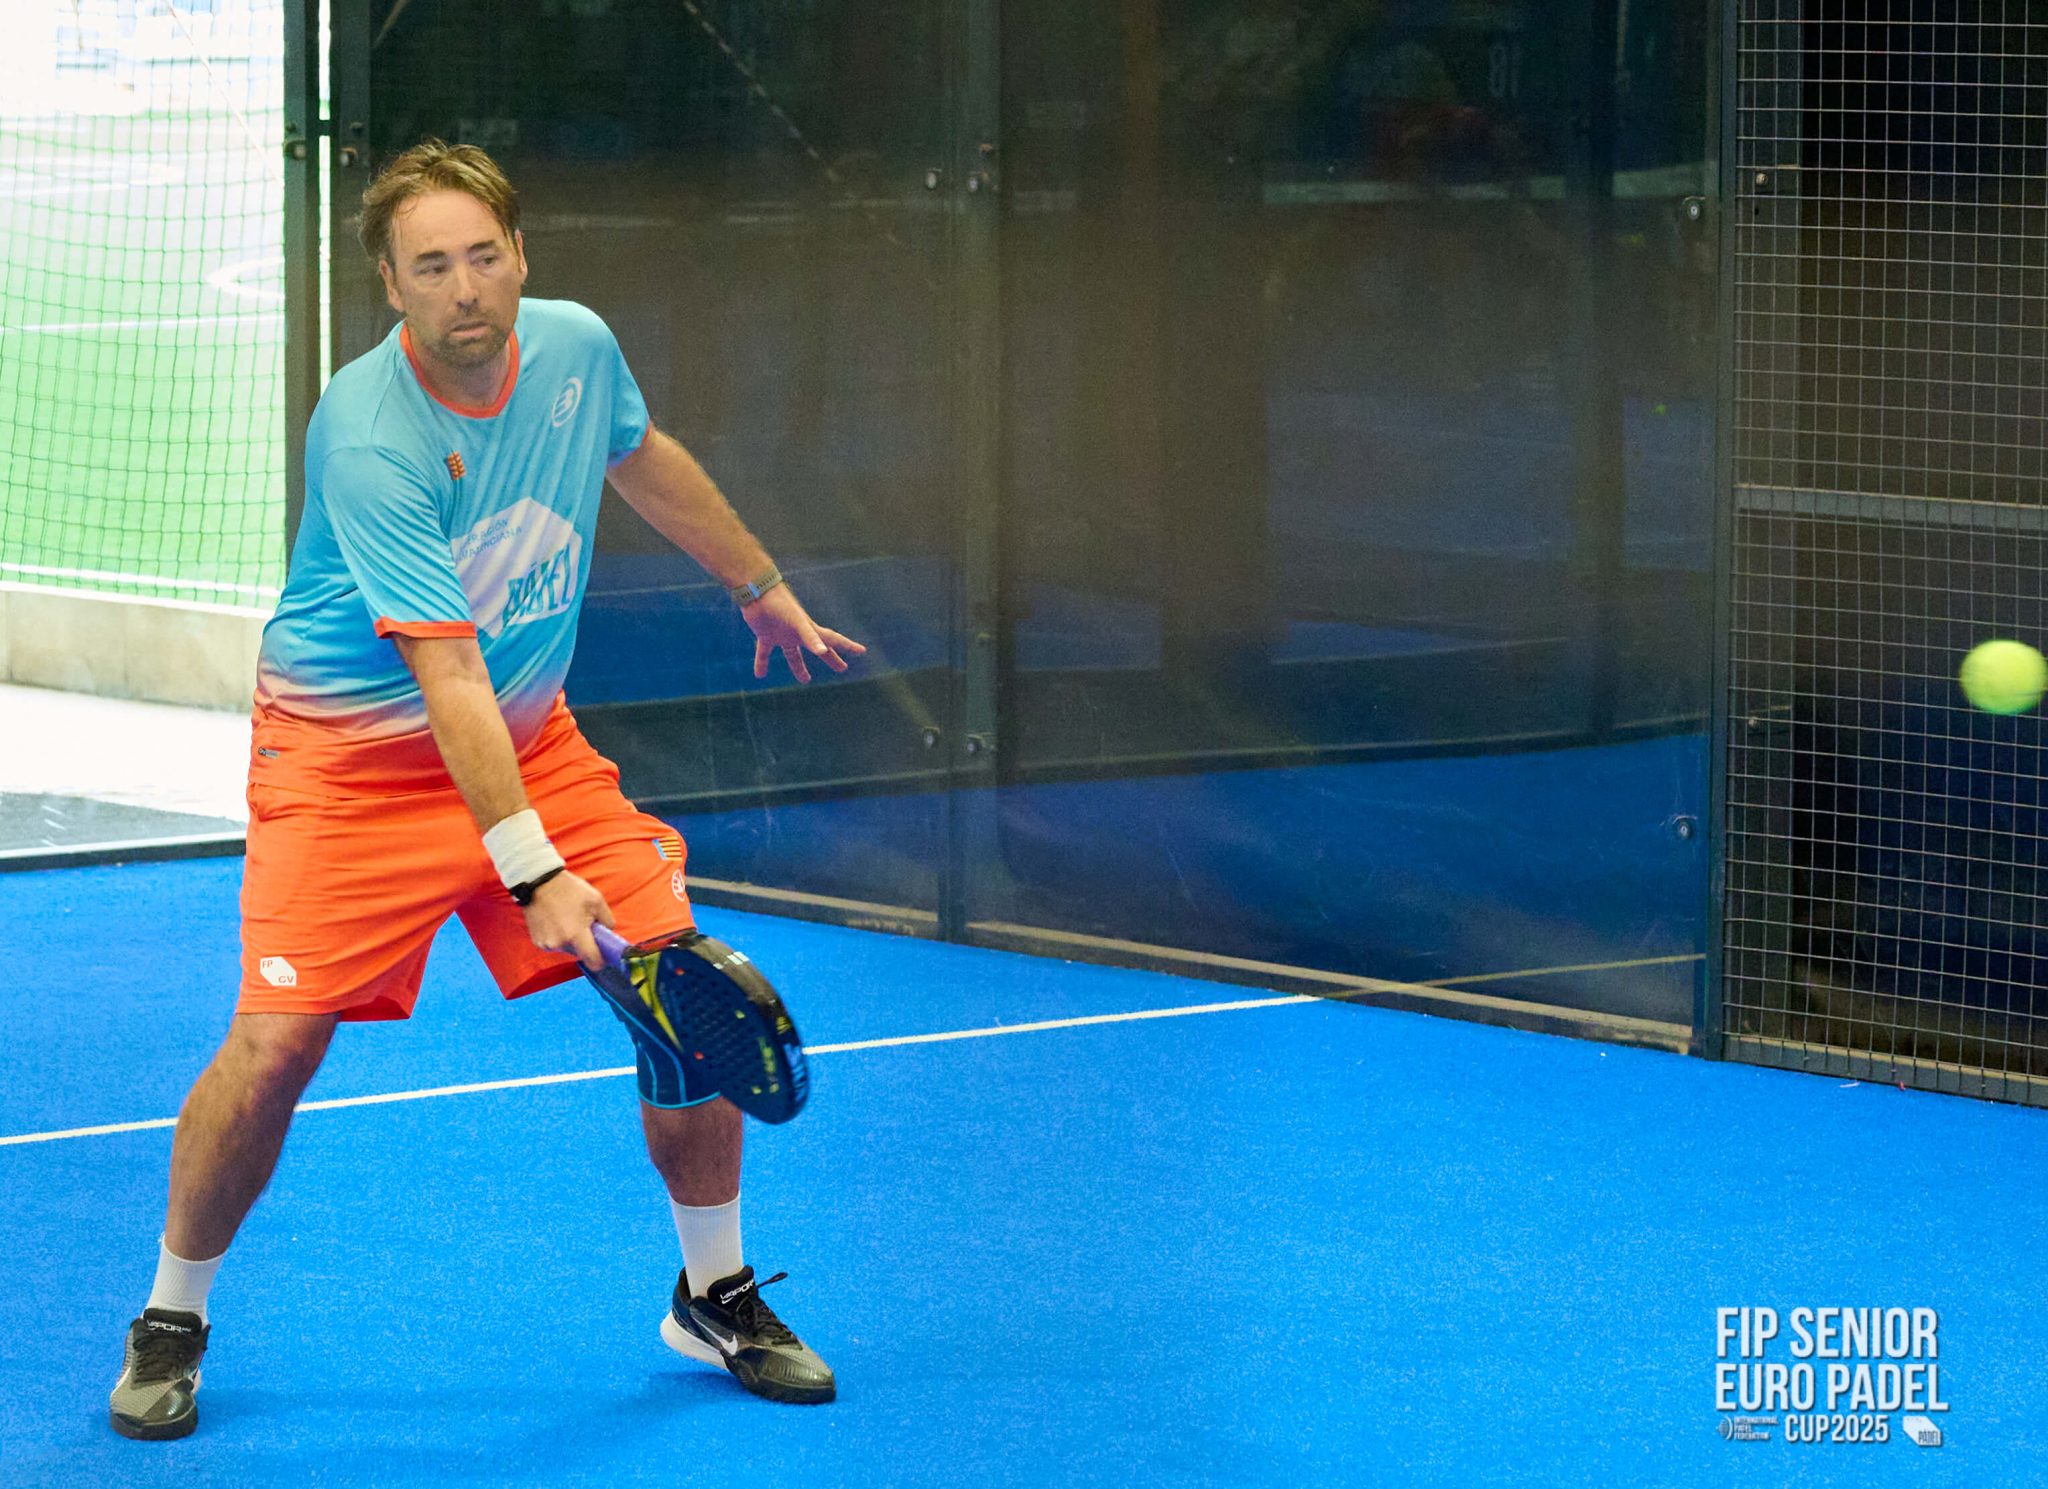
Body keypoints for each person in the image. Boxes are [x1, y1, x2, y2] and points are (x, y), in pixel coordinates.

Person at [108, 140, 862, 1440]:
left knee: (676, 986)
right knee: (278, 1043)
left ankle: (713, 1291)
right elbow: (446, 670)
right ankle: (172, 1313)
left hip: (528, 738)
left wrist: (758, 583)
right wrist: (534, 871)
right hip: (349, 764)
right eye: (431, 267)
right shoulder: (370, 431)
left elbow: (644, 456)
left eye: (483, 256)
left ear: (521, 256)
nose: (465, 289)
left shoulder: (575, 349)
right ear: (391, 286)